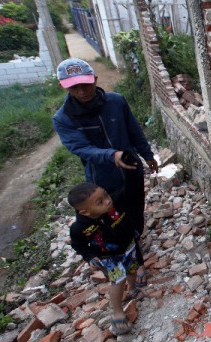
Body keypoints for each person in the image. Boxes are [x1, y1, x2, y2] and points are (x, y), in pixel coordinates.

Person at [52, 57, 158, 287]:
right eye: (74, 87)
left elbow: (134, 130)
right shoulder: (63, 119)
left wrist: (147, 155)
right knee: (110, 218)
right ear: (65, 87)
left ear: (95, 80)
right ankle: (121, 259)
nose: (81, 91)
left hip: (130, 168)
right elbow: (80, 148)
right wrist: (111, 156)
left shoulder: (116, 102)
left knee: (135, 205)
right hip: (102, 179)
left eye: (86, 85)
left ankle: (136, 239)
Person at [68, 181, 142, 335]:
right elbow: (78, 245)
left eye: (106, 195)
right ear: (85, 212)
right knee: (117, 280)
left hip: (128, 246)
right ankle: (117, 311)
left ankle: (133, 288)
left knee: (132, 269)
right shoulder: (80, 228)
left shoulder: (114, 207)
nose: (108, 201)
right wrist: (89, 256)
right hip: (108, 257)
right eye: (100, 202)